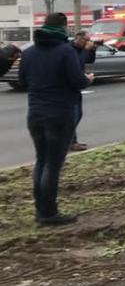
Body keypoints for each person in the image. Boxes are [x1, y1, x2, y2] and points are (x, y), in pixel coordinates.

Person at [18, 13, 93, 226]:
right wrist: (86, 79)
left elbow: (23, 80)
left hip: (35, 114)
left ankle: (40, 210)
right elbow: (77, 80)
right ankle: (49, 213)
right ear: (63, 27)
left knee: (41, 161)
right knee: (53, 164)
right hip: (60, 113)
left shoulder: (29, 52)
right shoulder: (65, 51)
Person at [70, 31, 98, 151]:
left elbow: (90, 60)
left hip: (76, 85)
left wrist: (92, 50)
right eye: (87, 40)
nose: (88, 42)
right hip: (70, 86)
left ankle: (69, 140)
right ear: (80, 39)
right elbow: (78, 64)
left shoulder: (81, 48)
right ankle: (71, 142)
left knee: (78, 114)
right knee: (74, 115)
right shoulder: (70, 49)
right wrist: (86, 50)